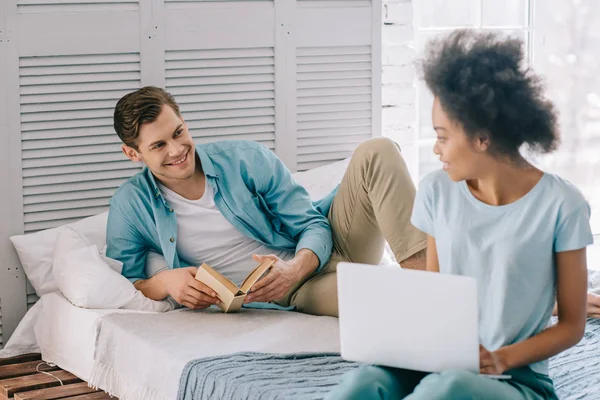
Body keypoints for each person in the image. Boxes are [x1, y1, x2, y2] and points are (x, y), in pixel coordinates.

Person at [326, 29, 593, 399]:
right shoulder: (437, 191)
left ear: (482, 137)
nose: (436, 150)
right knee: (362, 383)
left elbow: (572, 326)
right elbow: (436, 294)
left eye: (442, 136)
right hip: (439, 361)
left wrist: (500, 359)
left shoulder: (563, 205)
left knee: (446, 389)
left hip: (517, 380)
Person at [105, 86, 426, 317]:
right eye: (159, 145)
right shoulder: (130, 206)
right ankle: (437, 305)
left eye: (178, 132)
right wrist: (164, 282)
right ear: (133, 153)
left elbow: (312, 223)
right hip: (298, 291)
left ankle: (431, 284)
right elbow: (127, 284)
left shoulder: (246, 159)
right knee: (387, 298)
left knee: (378, 150)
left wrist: (296, 266)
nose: (176, 150)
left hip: (330, 242)